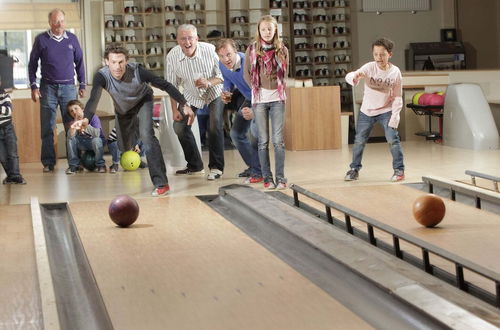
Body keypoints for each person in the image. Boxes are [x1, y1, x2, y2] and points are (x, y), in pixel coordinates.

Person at [73, 44, 190, 196]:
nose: (117, 67)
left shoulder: (137, 71)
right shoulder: (101, 76)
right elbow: (93, 99)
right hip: (122, 109)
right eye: (113, 62)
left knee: (148, 137)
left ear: (127, 61)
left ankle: (161, 183)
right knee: (124, 146)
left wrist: (183, 102)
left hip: (143, 101)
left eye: (121, 62)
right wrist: (86, 119)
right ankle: (135, 135)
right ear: (106, 62)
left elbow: (164, 85)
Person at [28, 8, 86, 173]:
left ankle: (74, 162)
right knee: (47, 127)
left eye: (62, 21)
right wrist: (33, 86)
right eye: (56, 21)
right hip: (48, 88)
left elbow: (80, 62)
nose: (59, 24)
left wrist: (82, 84)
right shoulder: (41, 40)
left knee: (72, 126)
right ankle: (48, 162)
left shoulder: (72, 39)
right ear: (50, 23)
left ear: (65, 22)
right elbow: (32, 65)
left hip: (69, 88)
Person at [165, 24, 225, 180]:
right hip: (191, 95)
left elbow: (221, 76)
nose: (187, 42)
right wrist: (175, 110)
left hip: (214, 91)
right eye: (183, 39)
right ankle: (195, 166)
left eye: (190, 38)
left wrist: (208, 82)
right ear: (177, 40)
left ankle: (216, 168)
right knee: (179, 126)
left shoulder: (210, 50)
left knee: (214, 124)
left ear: (197, 38)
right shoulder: (172, 56)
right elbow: (171, 86)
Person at [343, 37, 405, 182]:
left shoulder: (395, 72)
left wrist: (395, 115)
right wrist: (355, 77)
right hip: (367, 111)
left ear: (390, 54)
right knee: (359, 141)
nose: (378, 58)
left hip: (387, 110)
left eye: (382, 54)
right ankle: (354, 169)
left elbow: (397, 95)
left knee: (393, 140)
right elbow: (351, 75)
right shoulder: (369, 67)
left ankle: (399, 170)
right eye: (376, 54)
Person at [244, 15, 289, 190]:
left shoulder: (282, 49)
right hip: (260, 100)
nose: (267, 32)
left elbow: (284, 73)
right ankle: (267, 178)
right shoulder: (252, 49)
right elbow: (247, 74)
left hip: (278, 98)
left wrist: (276, 89)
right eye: (264, 29)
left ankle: (281, 178)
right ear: (259, 31)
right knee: (263, 141)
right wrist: (257, 89)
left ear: (275, 30)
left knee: (278, 141)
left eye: (270, 29)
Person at [215, 38, 262, 184]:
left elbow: (262, 86)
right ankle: (253, 167)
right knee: (236, 134)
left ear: (236, 51)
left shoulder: (249, 63)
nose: (225, 59)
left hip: (261, 99)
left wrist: (256, 110)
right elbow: (228, 80)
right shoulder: (222, 65)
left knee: (254, 135)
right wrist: (226, 92)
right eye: (221, 56)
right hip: (248, 99)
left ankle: (259, 172)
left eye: (228, 54)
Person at [65, 100, 106, 174]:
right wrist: (75, 123)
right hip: (83, 143)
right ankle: (74, 166)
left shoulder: (93, 117)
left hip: (95, 142)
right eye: (71, 111)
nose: (74, 112)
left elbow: (97, 134)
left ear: (82, 109)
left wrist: (85, 125)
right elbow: (70, 136)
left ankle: (101, 165)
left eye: (76, 108)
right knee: (70, 138)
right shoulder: (73, 121)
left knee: (96, 140)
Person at [0, 78, 26, 185]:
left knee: (12, 153)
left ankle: (16, 175)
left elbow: (8, 111)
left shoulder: (4, 95)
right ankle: (10, 176)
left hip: (8, 128)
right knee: (2, 156)